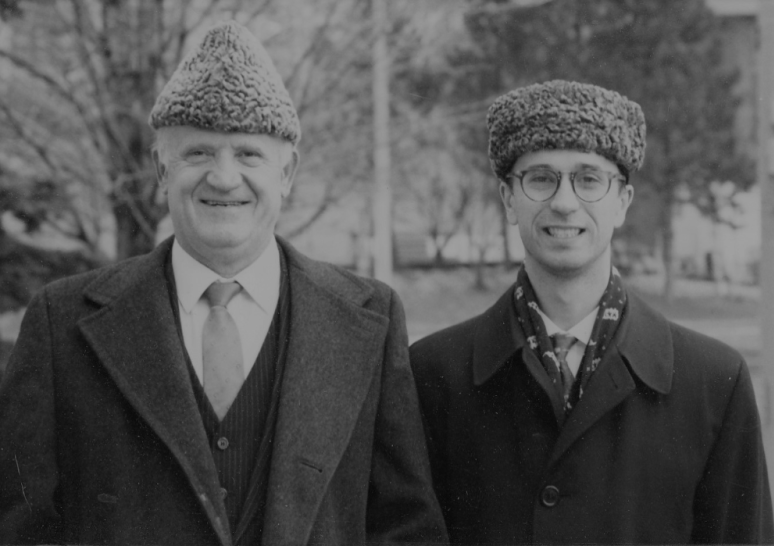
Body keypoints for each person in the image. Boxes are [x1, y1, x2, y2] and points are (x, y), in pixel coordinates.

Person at [0, 21, 446, 546]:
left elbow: (407, 526)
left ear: (287, 172)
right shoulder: (63, 320)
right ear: (161, 170)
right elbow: (20, 527)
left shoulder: (371, 318)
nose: (224, 177)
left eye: (249, 154)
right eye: (199, 153)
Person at [410, 80, 774, 545]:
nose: (564, 202)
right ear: (507, 199)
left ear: (622, 201)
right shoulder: (433, 373)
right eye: (540, 178)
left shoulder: (713, 381)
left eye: (589, 179)